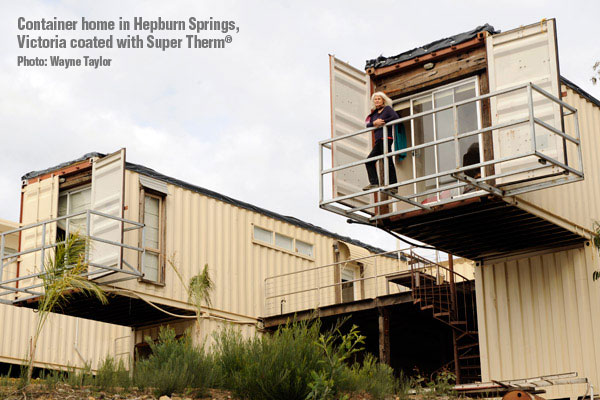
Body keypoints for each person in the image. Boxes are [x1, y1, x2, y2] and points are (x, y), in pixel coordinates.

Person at [363, 92, 399, 192]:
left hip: (386, 138)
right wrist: (375, 123)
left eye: (379, 99)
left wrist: (382, 122)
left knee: (387, 160)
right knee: (369, 161)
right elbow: (367, 124)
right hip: (378, 140)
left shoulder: (387, 109)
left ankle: (393, 186)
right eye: (375, 99)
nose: (377, 100)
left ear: (383, 100)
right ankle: (374, 183)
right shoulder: (374, 113)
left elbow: (395, 117)